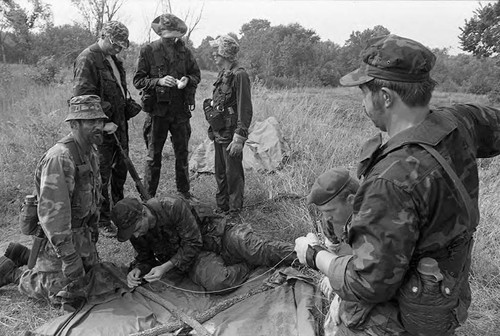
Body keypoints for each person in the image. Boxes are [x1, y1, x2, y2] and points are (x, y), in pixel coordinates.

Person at [294, 34, 500, 336]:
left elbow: (366, 283)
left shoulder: (389, 181)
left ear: (386, 96)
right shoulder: (461, 120)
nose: (364, 103)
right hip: (445, 295)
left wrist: (313, 255)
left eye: (365, 93)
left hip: (401, 317)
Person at [0, 95, 111, 310]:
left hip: (80, 235)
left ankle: (22, 255)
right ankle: (14, 274)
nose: (98, 126)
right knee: (65, 291)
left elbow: (94, 197)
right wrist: (69, 258)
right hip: (60, 238)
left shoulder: (89, 151)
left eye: (100, 120)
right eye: (91, 122)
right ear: (74, 124)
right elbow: (53, 218)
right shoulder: (60, 158)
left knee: (94, 281)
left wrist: (93, 230)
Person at [111, 196, 296, 291]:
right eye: (131, 233)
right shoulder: (136, 233)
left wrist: (165, 267)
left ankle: (307, 254)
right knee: (219, 283)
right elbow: (145, 258)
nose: (136, 234)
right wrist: (137, 270)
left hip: (218, 235)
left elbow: (193, 241)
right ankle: (247, 264)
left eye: (136, 228)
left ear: (143, 213)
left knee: (255, 248)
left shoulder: (172, 206)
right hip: (194, 257)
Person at [73, 20, 131, 237]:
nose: (118, 49)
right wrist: (101, 123)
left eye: (122, 46)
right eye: (116, 44)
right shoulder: (88, 58)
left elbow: (118, 90)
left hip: (119, 126)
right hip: (101, 130)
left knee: (120, 172)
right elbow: (81, 98)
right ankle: (102, 220)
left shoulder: (113, 60)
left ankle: (121, 213)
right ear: (104, 36)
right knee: (101, 176)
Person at [133, 13, 201, 199]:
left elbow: (196, 75)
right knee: (153, 156)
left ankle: (184, 192)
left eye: (174, 37)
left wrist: (188, 79)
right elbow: (138, 81)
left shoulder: (185, 52)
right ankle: (149, 197)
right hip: (158, 112)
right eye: (167, 37)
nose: (171, 41)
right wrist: (159, 81)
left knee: (182, 153)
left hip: (180, 111)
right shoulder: (148, 50)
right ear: (161, 33)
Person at [204, 35, 252, 217]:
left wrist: (239, 137)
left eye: (216, 51)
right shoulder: (224, 73)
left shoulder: (240, 75)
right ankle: (222, 206)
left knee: (233, 174)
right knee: (221, 172)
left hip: (231, 134)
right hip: (219, 131)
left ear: (224, 53)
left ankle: (234, 210)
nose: (213, 55)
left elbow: (245, 108)